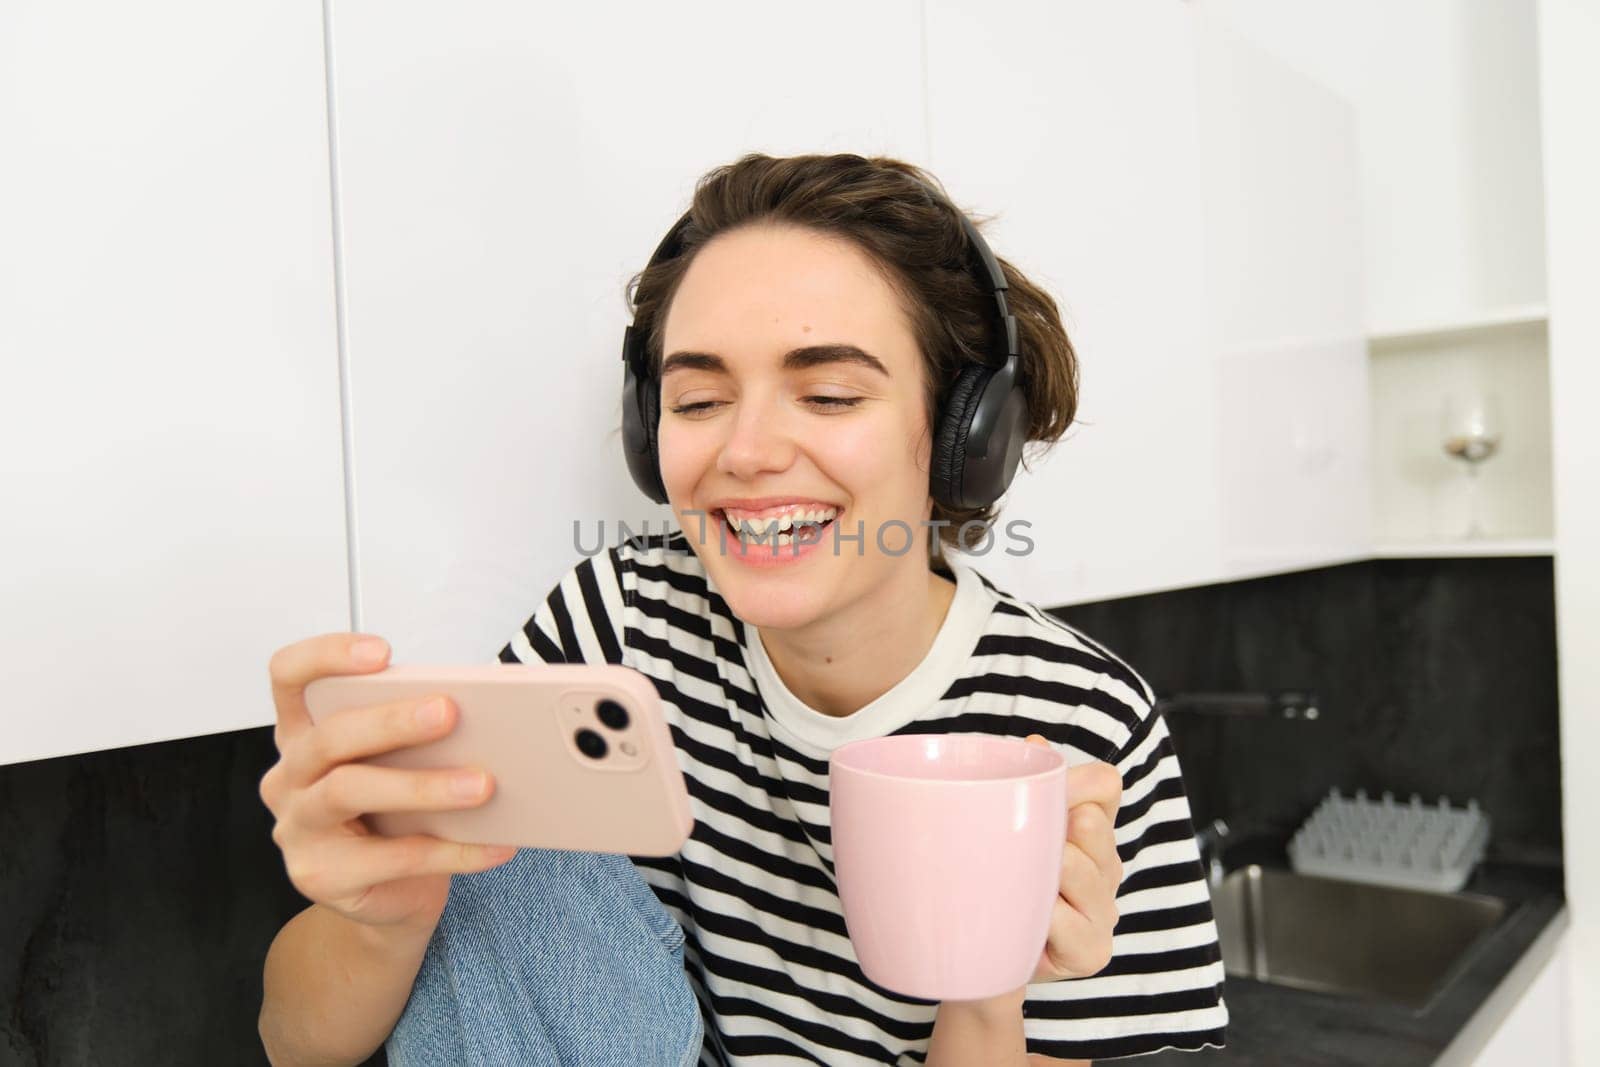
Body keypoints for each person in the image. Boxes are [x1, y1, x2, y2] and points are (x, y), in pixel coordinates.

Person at [258, 152, 1228, 1065]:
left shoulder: (1074, 727)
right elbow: (297, 1042)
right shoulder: (618, 622)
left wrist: (989, 986)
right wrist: (387, 914)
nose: (748, 450)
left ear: (965, 435)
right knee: (497, 853)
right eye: (697, 400)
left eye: (831, 393)